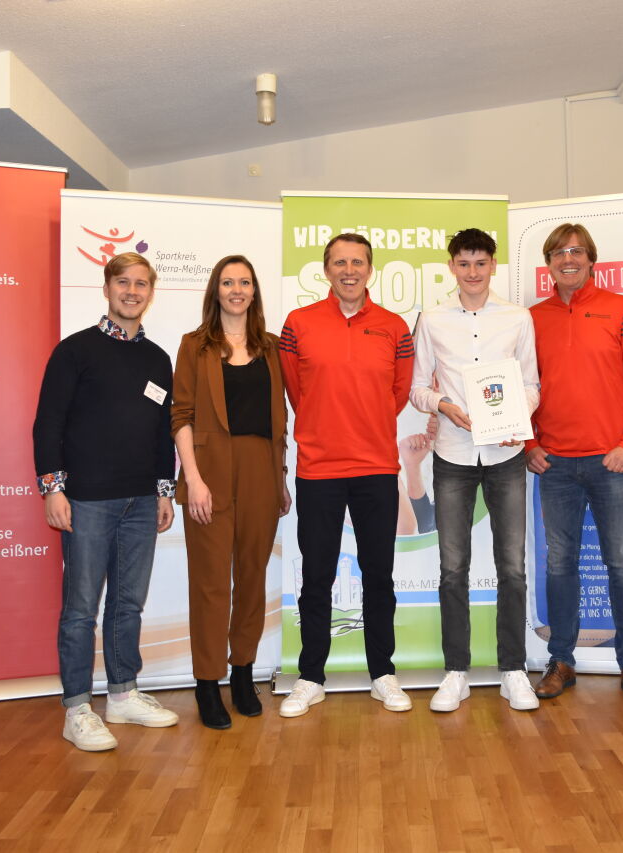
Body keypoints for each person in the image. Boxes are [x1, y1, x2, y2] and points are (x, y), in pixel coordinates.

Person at [32, 252, 179, 752]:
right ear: (107, 288)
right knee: (80, 609)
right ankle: (77, 708)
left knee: (127, 604)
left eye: (141, 284)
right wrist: (53, 489)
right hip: (87, 502)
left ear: (150, 293)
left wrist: (164, 491)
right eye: (123, 282)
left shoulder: (157, 359)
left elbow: (161, 433)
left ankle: (122, 694)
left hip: (141, 501)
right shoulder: (74, 351)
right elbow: (48, 423)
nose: (132, 292)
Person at [277, 232, 415, 717]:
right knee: (316, 577)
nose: (349, 270)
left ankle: (383, 673)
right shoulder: (299, 323)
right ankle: (310, 677)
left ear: (370, 269)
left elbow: (398, 394)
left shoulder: (394, 327)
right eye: (340, 262)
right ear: (327, 270)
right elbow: (296, 391)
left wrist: (365, 421)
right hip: (319, 469)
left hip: (376, 467)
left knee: (379, 576)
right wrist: (326, 424)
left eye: (357, 262)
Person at [410, 228, 541, 712]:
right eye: (463, 263)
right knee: (452, 569)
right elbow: (417, 388)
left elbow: (531, 384)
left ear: (493, 266)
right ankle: (456, 672)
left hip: (505, 456)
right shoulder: (432, 320)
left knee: (512, 567)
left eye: (480, 263)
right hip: (453, 455)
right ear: (452, 267)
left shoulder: (517, 318)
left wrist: (518, 418)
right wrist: (443, 405)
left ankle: (513, 670)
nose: (472, 272)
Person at [527, 223, 623, 705]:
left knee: (621, 564)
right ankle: (561, 660)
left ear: (591, 260)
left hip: (611, 463)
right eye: (559, 253)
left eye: (576, 251)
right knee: (560, 564)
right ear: (549, 264)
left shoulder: (621, 309)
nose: (568, 259)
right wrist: (529, 443)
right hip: (555, 464)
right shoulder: (532, 318)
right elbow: (518, 387)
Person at [172, 255, 290, 730]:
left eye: (244, 282)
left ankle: (243, 673)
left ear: (254, 291)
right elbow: (181, 415)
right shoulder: (194, 345)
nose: (236, 290)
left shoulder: (271, 347)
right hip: (210, 472)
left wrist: (280, 478)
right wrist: (194, 479)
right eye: (227, 282)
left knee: (252, 578)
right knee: (211, 583)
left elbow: (279, 418)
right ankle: (207, 682)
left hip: (261, 469)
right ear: (215, 291)